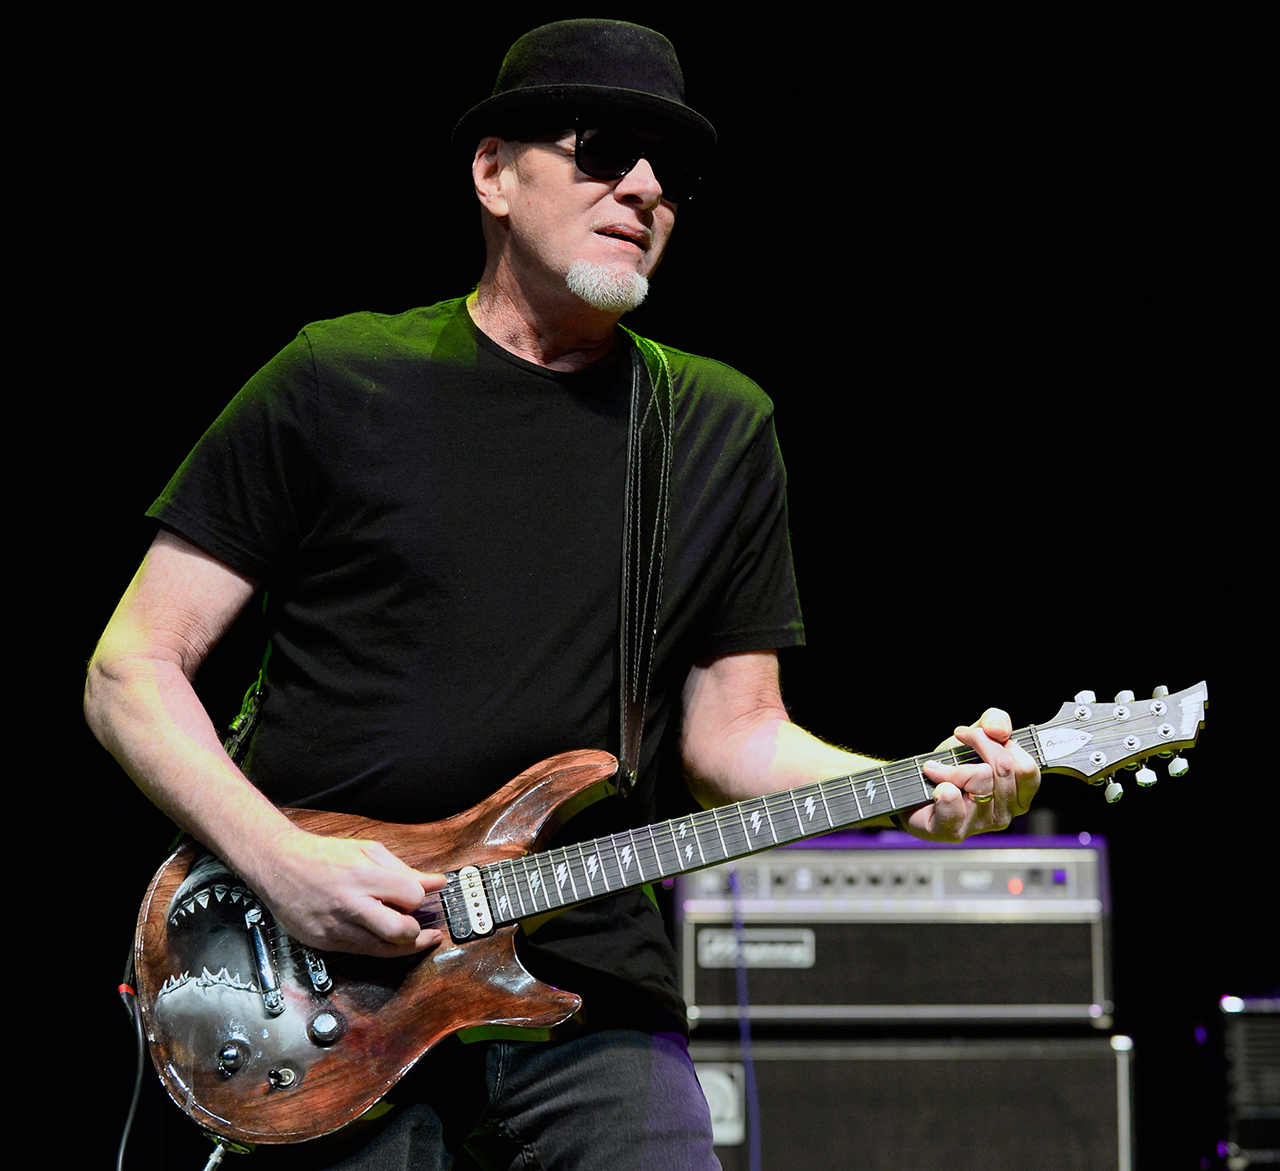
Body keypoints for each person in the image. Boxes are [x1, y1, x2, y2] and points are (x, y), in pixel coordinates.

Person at [85, 19, 1040, 1171]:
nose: (642, 190)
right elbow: (131, 668)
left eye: (671, 173)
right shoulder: (338, 379)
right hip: (315, 975)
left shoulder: (712, 427)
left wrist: (913, 784)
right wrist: (286, 864)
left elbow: (735, 736)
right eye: (600, 149)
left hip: (583, 979)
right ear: (493, 173)